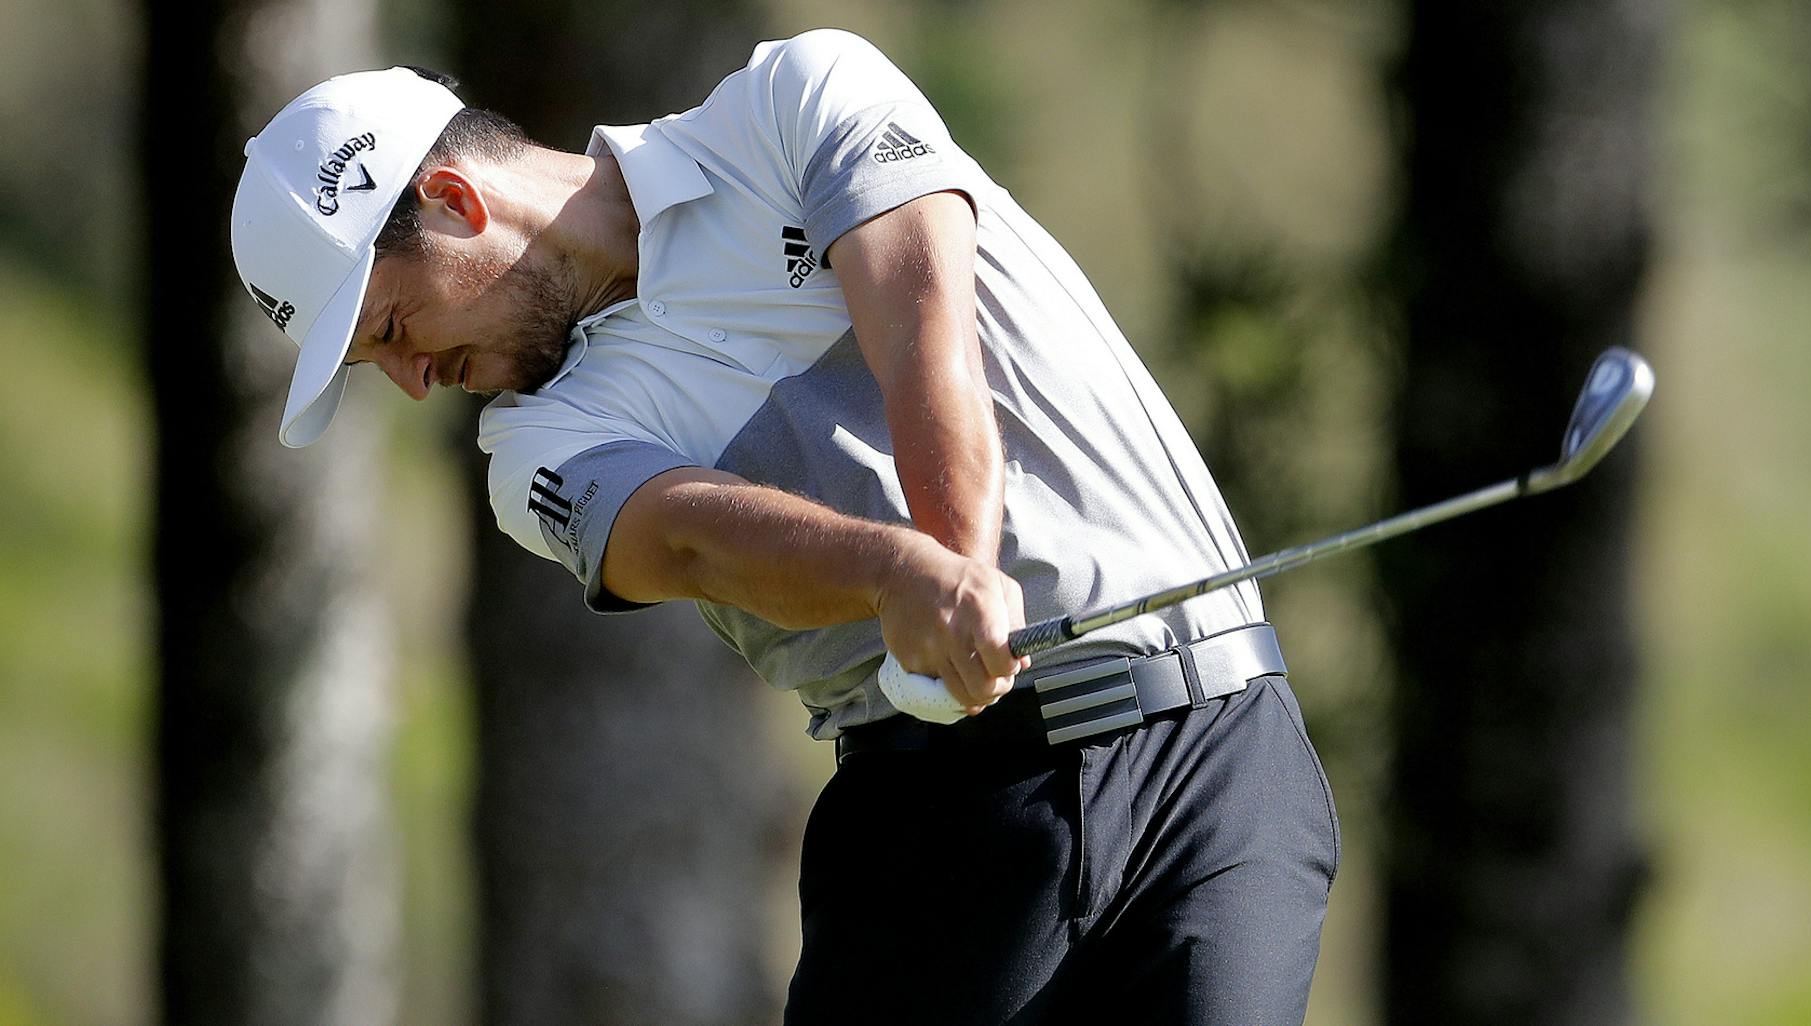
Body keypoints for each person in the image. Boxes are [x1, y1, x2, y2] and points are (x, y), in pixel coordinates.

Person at [230, 29, 1337, 1025]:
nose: (417, 382)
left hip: (1219, 755)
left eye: (392, 328)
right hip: (943, 819)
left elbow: (925, 336)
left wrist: (950, 563)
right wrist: (895, 574)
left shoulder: (795, 101)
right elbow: (689, 539)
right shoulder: (531, 452)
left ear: (457, 203)